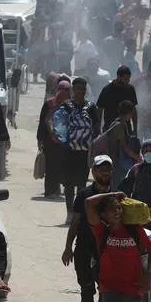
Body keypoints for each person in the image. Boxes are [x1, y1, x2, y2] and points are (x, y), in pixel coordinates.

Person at [61, 156, 115, 302]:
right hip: (84, 247)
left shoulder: (117, 195)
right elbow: (75, 222)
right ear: (94, 172)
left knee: (106, 288)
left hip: (108, 249)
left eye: (108, 169)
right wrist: (68, 247)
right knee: (86, 289)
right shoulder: (84, 195)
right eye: (101, 169)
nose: (105, 173)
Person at [52, 77, 101, 223]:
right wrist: (62, 141)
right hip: (68, 151)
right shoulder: (66, 106)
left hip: (84, 152)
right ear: (73, 89)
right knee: (68, 184)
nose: (80, 92)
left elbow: (97, 126)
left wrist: (92, 141)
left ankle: (78, 213)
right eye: (78, 89)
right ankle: (69, 212)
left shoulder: (91, 107)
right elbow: (57, 123)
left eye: (83, 89)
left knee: (81, 184)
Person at [38, 79, 72, 198]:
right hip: (50, 141)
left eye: (67, 92)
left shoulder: (70, 106)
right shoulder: (49, 104)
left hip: (64, 141)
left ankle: (57, 189)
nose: (64, 94)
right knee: (50, 166)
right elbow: (43, 122)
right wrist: (40, 139)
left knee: (61, 165)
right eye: (62, 91)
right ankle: (49, 191)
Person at [104, 99, 139, 188]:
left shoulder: (118, 123)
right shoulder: (119, 126)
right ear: (130, 113)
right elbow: (125, 147)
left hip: (114, 160)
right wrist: (137, 157)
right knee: (116, 186)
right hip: (116, 162)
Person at [95, 66, 138, 131]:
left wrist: (135, 130)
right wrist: (98, 129)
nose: (128, 81)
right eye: (125, 79)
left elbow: (133, 111)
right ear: (118, 77)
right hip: (109, 129)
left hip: (126, 129)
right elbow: (100, 110)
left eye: (128, 79)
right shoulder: (107, 90)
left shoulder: (130, 89)